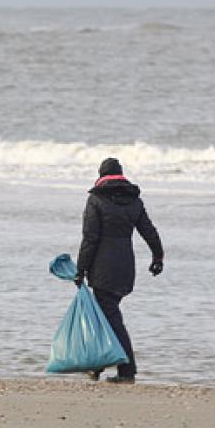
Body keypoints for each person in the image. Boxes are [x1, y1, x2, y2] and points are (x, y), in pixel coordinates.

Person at [75, 158, 164, 384]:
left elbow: (90, 239)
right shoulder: (134, 201)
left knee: (110, 319)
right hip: (125, 267)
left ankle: (126, 371)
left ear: (101, 175)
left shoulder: (96, 199)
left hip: (103, 268)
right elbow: (149, 231)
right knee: (106, 316)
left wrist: (80, 269)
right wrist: (158, 256)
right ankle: (97, 366)